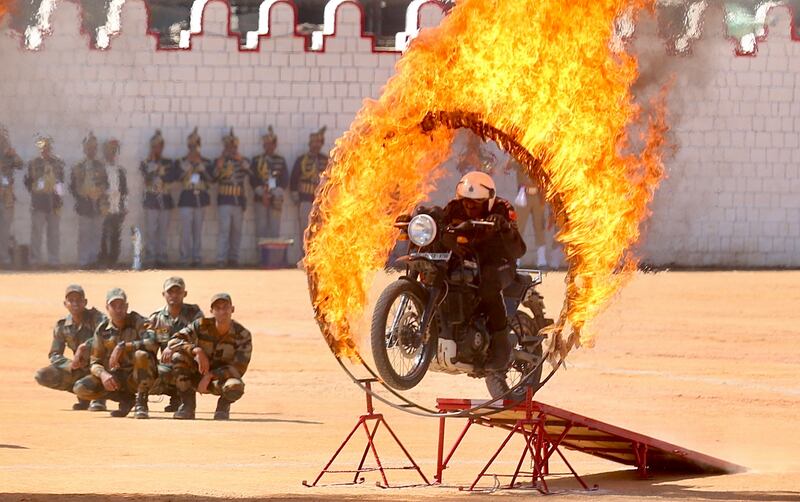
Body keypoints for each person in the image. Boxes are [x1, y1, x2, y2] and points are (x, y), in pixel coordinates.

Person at [440, 171, 526, 372]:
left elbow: (519, 250)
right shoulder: (454, 207)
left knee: (488, 284)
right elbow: (440, 224)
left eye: (476, 202)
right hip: (466, 260)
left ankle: (501, 342)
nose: (469, 206)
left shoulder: (502, 208)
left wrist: (505, 228)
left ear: (487, 201)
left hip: (498, 262)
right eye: (466, 201)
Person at [161, 293, 252, 420]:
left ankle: (223, 407)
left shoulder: (242, 334)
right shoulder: (201, 325)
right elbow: (174, 340)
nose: (221, 311)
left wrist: (210, 375)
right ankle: (188, 406)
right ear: (211, 311)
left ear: (232, 309)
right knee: (178, 357)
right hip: (196, 374)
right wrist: (196, 350)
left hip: (218, 380)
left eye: (225, 307)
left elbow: (238, 368)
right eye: (217, 308)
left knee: (236, 386)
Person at [72, 288, 156, 419]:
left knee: (141, 355)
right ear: (107, 307)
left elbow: (152, 342)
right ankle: (126, 399)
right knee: (81, 388)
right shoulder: (102, 330)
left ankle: (142, 402)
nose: (118, 309)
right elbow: (95, 362)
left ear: (127, 306)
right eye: (113, 305)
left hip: (138, 375)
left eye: (121, 305)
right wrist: (103, 374)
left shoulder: (138, 321)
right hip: (116, 377)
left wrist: (124, 347)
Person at [34, 284, 107, 411]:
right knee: (42, 375)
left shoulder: (98, 318)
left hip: (100, 366)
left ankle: (98, 397)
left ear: (85, 302)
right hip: (80, 368)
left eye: (78, 300)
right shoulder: (62, 326)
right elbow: (54, 354)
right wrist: (70, 365)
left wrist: (84, 347)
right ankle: (83, 394)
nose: (75, 303)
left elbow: (105, 337)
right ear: (65, 303)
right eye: (71, 300)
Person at [147, 276, 203, 412]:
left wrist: (173, 347)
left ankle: (186, 401)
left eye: (178, 292)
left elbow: (199, 340)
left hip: (191, 366)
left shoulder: (194, 314)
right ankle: (174, 396)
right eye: (170, 292)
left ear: (185, 294)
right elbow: (149, 344)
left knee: (178, 357)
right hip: (167, 366)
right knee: (144, 373)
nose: (174, 295)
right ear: (163, 294)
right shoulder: (156, 318)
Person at [69, 132, 109, 268]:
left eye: (94, 147)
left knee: (97, 234)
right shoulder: (78, 166)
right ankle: (83, 261)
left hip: (98, 204)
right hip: (85, 204)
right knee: (84, 234)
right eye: (89, 147)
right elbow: (72, 187)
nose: (91, 150)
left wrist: (100, 191)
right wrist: (82, 194)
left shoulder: (101, 165)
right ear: (85, 149)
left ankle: (93, 260)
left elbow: (106, 183)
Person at [212, 128, 250, 267]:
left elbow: (250, 171)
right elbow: (213, 177)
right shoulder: (220, 161)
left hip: (237, 201)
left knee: (237, 232)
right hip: (225, 200)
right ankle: (221, 259)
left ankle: (234, 258)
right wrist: (220, 164)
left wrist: (240, 160)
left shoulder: (241, 160)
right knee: (224, 230)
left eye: (233, 146)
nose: (231, 149)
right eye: (229, 146)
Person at [25, 136, 65, 267]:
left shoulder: (57, 163)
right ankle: (35, 260)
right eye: (43, 148)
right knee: (36, 233)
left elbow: (60, 181)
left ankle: (54, 260)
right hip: (38, 203)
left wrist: (59, 198)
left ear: (50, 148)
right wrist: (34, 189)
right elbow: (28, 181)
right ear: (40, 149)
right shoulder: (33, 163)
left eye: (47, 148)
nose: (45, 150)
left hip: (54, 202)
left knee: (54, 234)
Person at [176, 128, 212, 267]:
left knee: (198, 231)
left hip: (200, 199)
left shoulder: (206, 162)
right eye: (191, 146)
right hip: (186, 198)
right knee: (185, 231)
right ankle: (184, 258)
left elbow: (211, 180)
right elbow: (176, 178)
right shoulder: (181, 161)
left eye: (195, 145)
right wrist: (185, 168)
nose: (193, 148)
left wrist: (203, 169)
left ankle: (197, 257)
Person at [140, 129, 177, 268]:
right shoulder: (145, 162)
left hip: (165, 200)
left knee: (163, 231)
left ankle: (162, 257)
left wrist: (161, 174)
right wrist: (153, 167)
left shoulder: (168, 162)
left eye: (159, 146)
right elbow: (146, 178)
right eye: (155, 146)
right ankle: (150, 257)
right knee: (151, 231)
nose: (157, 148)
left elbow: (172, 176)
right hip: (151, 200)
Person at [290, 127, 328, 255]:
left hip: (320, 202)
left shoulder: (325, 160)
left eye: (318, 143)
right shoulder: (302, 160)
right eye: (313, 143)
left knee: (320, 231)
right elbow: (294, 179)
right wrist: (296, 196)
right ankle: (305, 256)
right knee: (305, 229)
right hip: (305, 199)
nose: (316, 146)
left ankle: (317, 257)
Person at [507, 158, 548, 267]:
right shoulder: (521, 159)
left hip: (537, 196)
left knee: (539, 226)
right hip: (523, 196)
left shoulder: (539, 161)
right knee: (520, 227)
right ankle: (517, 257)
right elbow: (508, 166)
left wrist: (543, 199)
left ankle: (541, 259)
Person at [250, 126, 288, 240]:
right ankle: (261, 256)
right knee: (260, 229)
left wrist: (274, 193)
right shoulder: (256, 160)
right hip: (260, 198)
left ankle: (273, 256)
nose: (268, 147)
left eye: (271, 144)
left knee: (274, 229)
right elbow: (253, 178)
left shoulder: (280, 160)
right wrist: (263, 194)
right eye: (266, 144)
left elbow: (284, 179)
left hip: (276, 198)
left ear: (275, 145)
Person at [97, 139, 128, 268]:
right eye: (110, 151)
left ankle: (113, 260)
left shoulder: (120, 170)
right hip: (104, 205)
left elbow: (125, 190)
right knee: (103, 234)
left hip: (117, 206)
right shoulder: (100, 169)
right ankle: (103, 259)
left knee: (116, 234)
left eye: (114, 151)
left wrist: (125, 205)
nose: (112, 154)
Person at [0, 126, 23, 268]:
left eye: (3, 138)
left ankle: (4, 256)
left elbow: (20, 165)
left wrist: (14, 154)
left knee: (5, 228)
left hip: (6, 197)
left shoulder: (9, 155)